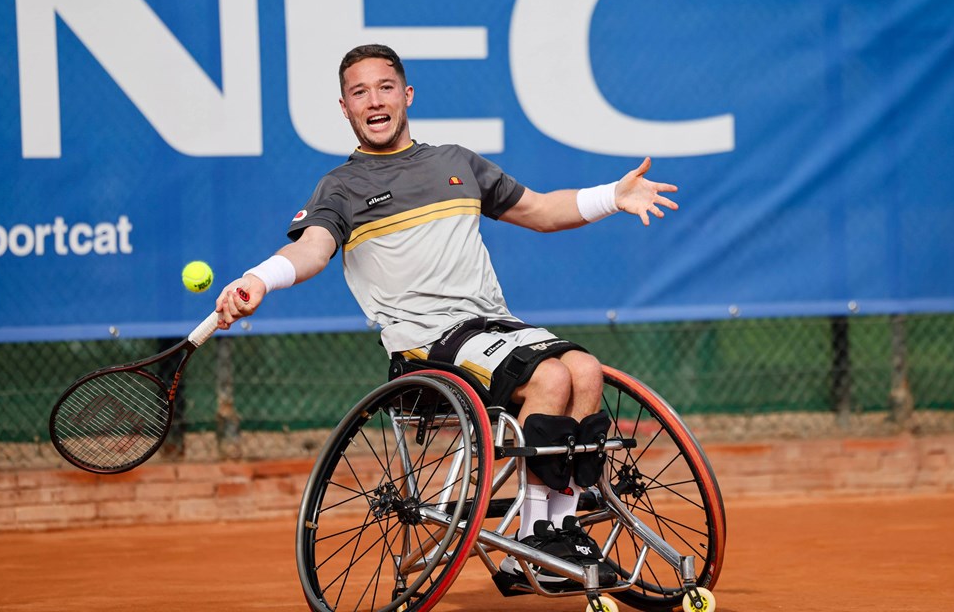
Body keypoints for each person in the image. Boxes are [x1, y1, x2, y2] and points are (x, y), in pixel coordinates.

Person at [215, 43, 678, 587]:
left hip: (494, 328)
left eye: (385, 87)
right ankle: (534, 542)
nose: (375, 101)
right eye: (359, 93)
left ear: (405, 95)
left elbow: (542, 210)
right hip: (425, 345)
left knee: (586, 370)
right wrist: (258, 278)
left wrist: (612, 196)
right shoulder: (339, 188)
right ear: (345, 108)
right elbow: (313, 249)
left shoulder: (457, 162)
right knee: (551, 376)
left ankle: (559, 528)